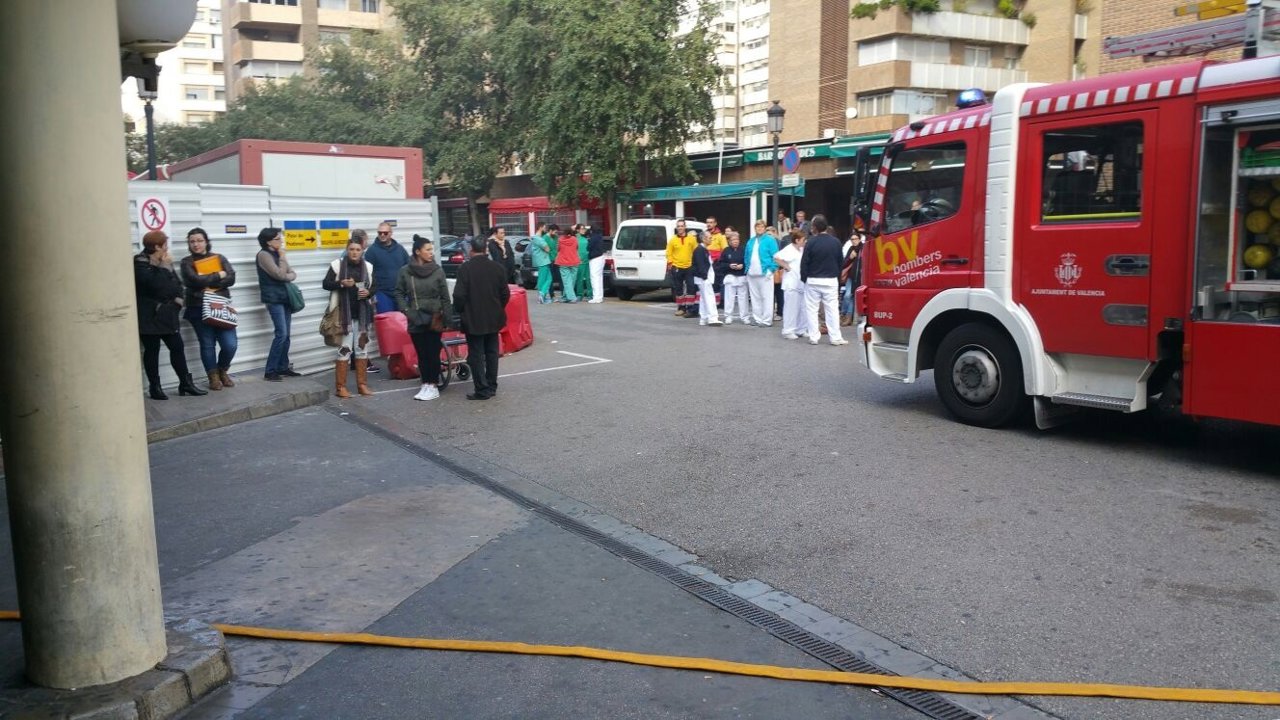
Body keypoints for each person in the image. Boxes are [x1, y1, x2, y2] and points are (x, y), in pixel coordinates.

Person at [135, 230, 206, 400]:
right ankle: (155, 387)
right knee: (152, 351)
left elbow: (176, 284)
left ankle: (185, 383)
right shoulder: (140, 262)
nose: (167, 249)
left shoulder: (163, 261)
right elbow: (156, 285)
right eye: (165, 245)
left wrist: (178, 300)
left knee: (177, 347)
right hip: (149, 315)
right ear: (157, 246)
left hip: (168, 314)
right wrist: (165, 269)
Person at [179, 227, 237, 391]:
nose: (196, 244)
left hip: (221, 305)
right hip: (198, 307)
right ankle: (213, 377)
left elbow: (231, 277)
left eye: (199, 240)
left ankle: (222, 369)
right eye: (192, 241)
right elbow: (194, 281)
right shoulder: (186, 262)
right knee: (207, 344)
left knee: (230, 344)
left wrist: (208, 281)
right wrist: (218, 275)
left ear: (206, 242)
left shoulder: (219, 258)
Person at [395, 236, 452, 402]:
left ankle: (433, 385)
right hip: (415, 317)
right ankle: (425, 383)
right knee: (421, 353)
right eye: (427, 250)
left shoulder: (437, 270)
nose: (431, 253)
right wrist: (406, 310)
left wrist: (448, 320)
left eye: (431, 249)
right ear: (417, 252)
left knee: (432, 353)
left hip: (434, 317)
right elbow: (398, 292)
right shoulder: (405, 271)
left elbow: (445, 297)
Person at [452, 237, 510, 400]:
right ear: (485, 249)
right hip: (493, 316)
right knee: (491, 352)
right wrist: (497, 307)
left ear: (471, 250)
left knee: (476, 355)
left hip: (473, 317)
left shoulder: (466, 269)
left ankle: (482, 388)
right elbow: (505, 294)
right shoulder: (497, 268)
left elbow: (459, 295)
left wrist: (460, 310)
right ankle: (491, 385)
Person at [322, 239, 376, 398]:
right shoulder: (337, 265)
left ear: (362, 251)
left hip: (362, 315)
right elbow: (325, 284)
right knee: (344, 350)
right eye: (351, 249)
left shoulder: (369, 267)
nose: (354, 252)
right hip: (343, 316)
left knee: (361, 349)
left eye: (358, 249)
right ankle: (341, 388)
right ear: (347, 250)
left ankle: (362, 385)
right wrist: (340, 284)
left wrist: (369, 293)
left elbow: (374, 286)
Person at [799, 214, 849, 346]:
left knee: (812, 309)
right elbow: (840, 262)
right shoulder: (836, 242)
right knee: (832, 309)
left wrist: (805, 278)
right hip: (830, 279)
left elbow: (804, 263)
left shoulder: (810, 242)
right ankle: (835, 337)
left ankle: (814, 336)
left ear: (814, 227)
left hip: (813, 279)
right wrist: (837, 279)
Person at [256, 226, 297, 381]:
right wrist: (283, 262)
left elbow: (293, 273)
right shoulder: (264, 255)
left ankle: (283, 367)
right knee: (281, 334)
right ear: (268, 241)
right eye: (277, 238)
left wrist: (285, 270)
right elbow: (280, 274)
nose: (280, 241)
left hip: (284, 297)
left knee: (286, 335)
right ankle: (270, 370)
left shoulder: (278, 254)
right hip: (273, 299)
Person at [365, 222, 409, 313]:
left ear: (391, 233)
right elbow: (366, 273)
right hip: (382, 293)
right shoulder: (371, 251)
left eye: (385, 233)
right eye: (379, 233)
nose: (382, 235)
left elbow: (408, 269)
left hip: (400, 293)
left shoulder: (400, 249)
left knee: (404, 321)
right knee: (387, 322)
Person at [774, 229, 808, 340]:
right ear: (797, 240)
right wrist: (787, 267)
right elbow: (777, 257)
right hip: (791, 282)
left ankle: (801, 329)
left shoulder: (802, 249)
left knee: (802, 307)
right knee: (791, 307)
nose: (805, 241)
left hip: (801, 282)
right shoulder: (789, 249)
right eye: (803, 240)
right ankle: (788, 330)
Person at [743, 220, 778, 327]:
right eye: (758, 227)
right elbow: (746, 256)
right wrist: (747, 269)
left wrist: (771, 269)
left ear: (765, 228)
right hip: (752, 273)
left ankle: (767, 320)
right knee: (755, 297)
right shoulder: (751, 241)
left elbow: (776, 256)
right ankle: (758, 319)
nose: (760, 228)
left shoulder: (770, 240)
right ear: (755, 228)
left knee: (767, 297)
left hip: (765, 272)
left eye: (762, 227)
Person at [666, 219, 698, 318]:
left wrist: (695, 264)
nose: (680, 228)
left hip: (689, 267)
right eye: (678, 226)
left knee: (691, 288)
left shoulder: (691, 239)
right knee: (678, 289)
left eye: (682, 226)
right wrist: (671, 263)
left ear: (685, 227)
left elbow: (696, 251)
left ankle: (691, 309)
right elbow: (668, 252)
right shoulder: (673, 240)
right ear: (677, 227)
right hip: (677, 267)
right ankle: (681, 308)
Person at [715, 230, 748, 324]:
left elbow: (747, 261)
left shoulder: (743, 249)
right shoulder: (726, 251)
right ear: (729, 241)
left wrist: (743, 266)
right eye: (733, 239)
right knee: (729, 298)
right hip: (730, 276)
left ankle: (744, 317)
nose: (735, 241)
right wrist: (729, 266)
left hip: (742, 276)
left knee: (743, 298)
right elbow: (720, 264)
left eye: (737, 239)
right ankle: (728, 316)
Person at [691, 231, 721, 326]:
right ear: (704, 239)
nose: (711, 239)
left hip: (703, 278)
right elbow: (700, 265)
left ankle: (703, 318)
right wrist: (705, 277)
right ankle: (712, 318)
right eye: (709, 237)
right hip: (703, 278)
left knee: (703, 298)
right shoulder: (700, 250)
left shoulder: (702, 249)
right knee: (709, 297)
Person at [530, 223, 556, 304]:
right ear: (540, 227)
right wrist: (548, 249)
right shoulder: (538, 238)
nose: (545, 229)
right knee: (544, 279)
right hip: (543, 261)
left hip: (542, 261)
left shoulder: (536, 238)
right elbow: (547, 249)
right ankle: (541, 295)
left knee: (548, 278)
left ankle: (542, 296)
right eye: (544, 227)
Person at [704, 216, 727, 308]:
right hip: (706, 263)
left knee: (717, 284)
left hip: (716, 263)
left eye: (711, 222)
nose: (709, 224)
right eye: (707, 222)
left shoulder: (720, 236)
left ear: (715, 223)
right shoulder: (704, 235)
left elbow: (724, 250)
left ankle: (719, 302)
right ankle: (710, 301)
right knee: (708, 283)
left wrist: (718, 259)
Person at [555, 226, 581, 303]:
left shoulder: (560, 240)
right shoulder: (575, 239)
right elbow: (577, 248)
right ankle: (565, 297)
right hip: (574, 261)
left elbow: (558, 249)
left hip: (563, 262)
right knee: (572, 281)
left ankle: (572, 298)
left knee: (567, 281)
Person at [586, 226, 607, 304]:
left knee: (594, 278)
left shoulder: (594, 238)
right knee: (599, 278)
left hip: (595, 259)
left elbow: (588, 247)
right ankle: (599, 297)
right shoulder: (600, 237)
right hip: (601, 258)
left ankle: (596, 297)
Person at [575, 225, 592, 301]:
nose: (584, 230)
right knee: (580, 279)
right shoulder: (575, 239)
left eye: (584, 229)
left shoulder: (586, 239)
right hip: (579, 262)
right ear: (578, 230)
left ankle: (590, 294)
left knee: (588, 279)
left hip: (587, 261)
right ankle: (579, 294)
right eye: (582, 229)